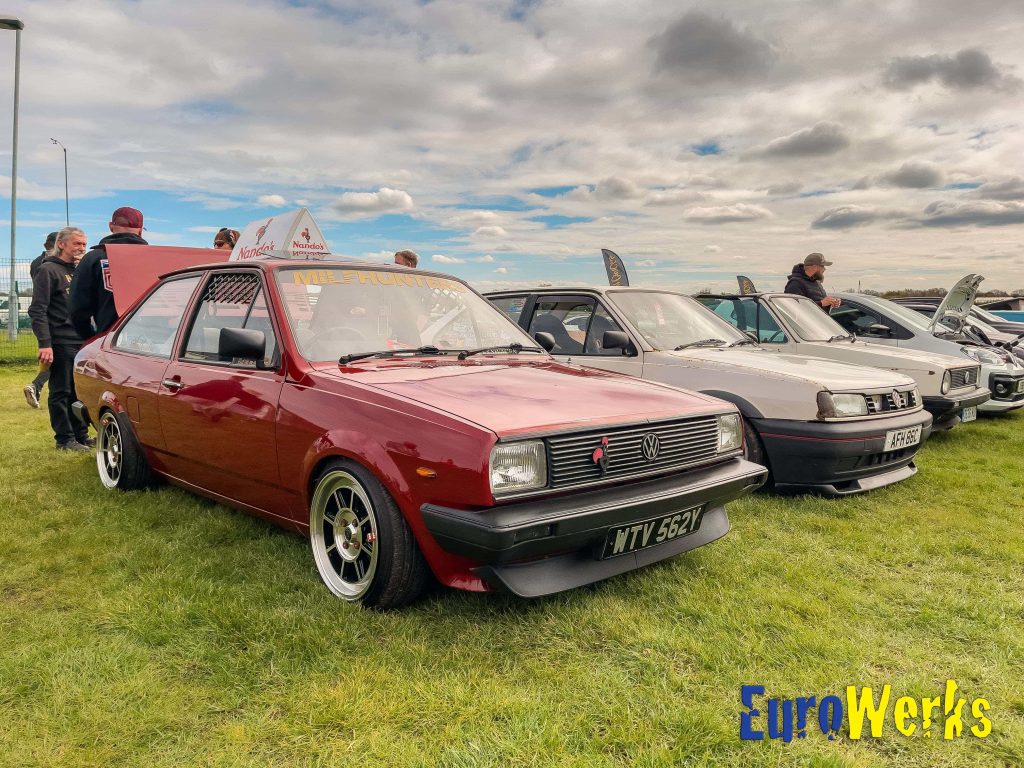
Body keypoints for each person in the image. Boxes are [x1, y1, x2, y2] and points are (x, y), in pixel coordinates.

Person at [28, 227, 93, 451]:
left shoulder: (79, 270)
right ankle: (64, 440)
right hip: (60, 340)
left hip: (81, 340)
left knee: (78, 391)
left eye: (84, 244)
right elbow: (37, 310)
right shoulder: (48, 270)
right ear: (62, 244)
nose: (81, 248)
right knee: (61, 391)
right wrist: (45, 343)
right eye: (77, 244)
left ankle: (81, 435)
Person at [69, 206, 148, 339]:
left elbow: (77, 308)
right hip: (156, 346)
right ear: (140, 230)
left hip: (109, 341)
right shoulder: (155, 259)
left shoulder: (93, 259)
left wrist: (90, 337)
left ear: (111, 226)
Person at [23, 231, 59, 408]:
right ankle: (36, 386)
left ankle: (36, 387)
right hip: (55, 316)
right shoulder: (51, 265)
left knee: (51, 357)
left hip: (42, 318)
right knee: (57, 358)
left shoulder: (36, 262)